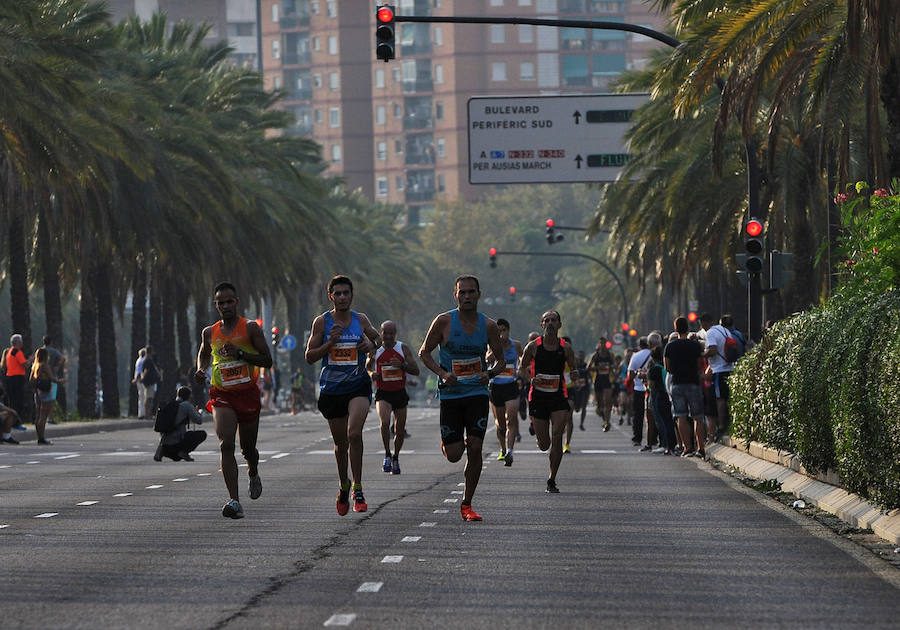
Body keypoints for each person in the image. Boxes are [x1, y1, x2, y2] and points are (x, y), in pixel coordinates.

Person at [419, 275, 505, 521]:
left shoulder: (488, 326)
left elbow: (501, 362)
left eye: (471, 292)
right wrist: (443, 374)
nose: (466, 297)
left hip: (476, 393)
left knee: (476, 447)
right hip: (451, 394)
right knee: (456, 454)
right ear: (455, 295)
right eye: (462, 293)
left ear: (479, 294)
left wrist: (488, 374)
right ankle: (450, 444)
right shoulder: (444, 321)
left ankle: (467, 504)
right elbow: (424, 352)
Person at [195, 282, 273, 520]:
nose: (225, 306)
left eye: (230, 301)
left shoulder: (249, 329)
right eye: (221, 302)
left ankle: (253, 470)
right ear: (216, 305)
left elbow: (267, 360)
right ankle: (234, 500)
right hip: (222, 394)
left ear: (237, 302)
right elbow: (204, 353)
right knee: (225, 443)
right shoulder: (210, 332)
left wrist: (241, 354)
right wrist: (201, 369)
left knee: (248, 448)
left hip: (247, 393)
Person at [305, 275, 382, 516]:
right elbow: (310, 355)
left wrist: (372, 345)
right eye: (337, 293)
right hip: (332, 389)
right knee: (340, 444)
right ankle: (343, 484)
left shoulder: (360, 319)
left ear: (351, 295)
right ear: (330, 297)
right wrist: (330, 343)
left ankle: (358, 488)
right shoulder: (322, 322)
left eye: (345, 293)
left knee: (354, 433)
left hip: (358, 384)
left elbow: (377, 338)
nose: (342, 297)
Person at [519, 311, 578, 493]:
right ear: (542, 325)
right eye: (547, 321)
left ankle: (551, 479)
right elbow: (521, 369)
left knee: (557, 436)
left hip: (558, 395)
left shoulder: (566, 348)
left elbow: (574, 369)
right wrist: (531, 378)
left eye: (554, 320)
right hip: (538, 397)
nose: (550, 323)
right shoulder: (533, 347)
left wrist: (575, 375)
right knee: (545, 444)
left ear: (559, 325)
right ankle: (541, 439)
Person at [367, 320, 419, 475]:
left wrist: (402, 365)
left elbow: (416, 370)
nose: (388, 336)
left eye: (391, 333)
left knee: (400, 430)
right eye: (385, 333)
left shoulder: (402, 348)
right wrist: (372, 374)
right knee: (384, 423)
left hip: (400, 392)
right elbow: (368, 367)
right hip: (383, 392)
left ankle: (396, 456)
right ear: (381, 333)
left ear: (395, 333)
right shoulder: (376, 350)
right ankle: (387, 454)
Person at [664, 316, 706, 458]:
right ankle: (700, 448)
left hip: (677, 384)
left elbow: (667, 368)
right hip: (693, 383)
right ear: (687, 328)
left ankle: (687, 448)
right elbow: (700, 362)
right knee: (697, 417)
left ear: (675, 329)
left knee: (680, 416)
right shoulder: (694, 345)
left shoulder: (669, 347)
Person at [485, 318, 522, 466]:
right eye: (498, 331)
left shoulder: (516, 345)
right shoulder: (493, 345)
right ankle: (502, 448)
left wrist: (522, 372)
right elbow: (487, 360)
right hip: (496, 387)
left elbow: (523, 360)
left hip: (511, 385)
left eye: (503, 330)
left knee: (511, 419)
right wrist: (496, 349)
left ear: (508, 331)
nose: (501, 334)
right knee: (500, 424)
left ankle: (510, 451)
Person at [700, 313, 735, 440]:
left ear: (704, 323)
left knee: (720, 399)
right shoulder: (724, 330)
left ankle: (721, 426)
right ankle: (729, 424)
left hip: (719, 369)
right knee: (728, 397)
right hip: (730, 367)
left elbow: (713, 350)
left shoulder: (710, 333)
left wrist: (702, 354)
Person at [154, 386, 207, 462]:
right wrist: (199, 412)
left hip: (165, 445)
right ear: (188, 396)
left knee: (173, 449)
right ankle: (184, 452)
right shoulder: (186, 405)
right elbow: (199, 420)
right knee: (202, 434)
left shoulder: (169, 404)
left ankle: (161, 451)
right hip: (177, 446)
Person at [30, 348, 65, 445]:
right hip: (46, 391)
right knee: (43, 416)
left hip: (37, 392)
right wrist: (61, 381)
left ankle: (39, 437)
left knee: (38, 415)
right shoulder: (45, 365)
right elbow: (52, 378)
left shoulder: (35, 365)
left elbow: (31, 379)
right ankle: (41, 438)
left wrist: (38, 383)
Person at [628, 338, 652, 447]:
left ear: (639, 346)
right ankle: (653, 439)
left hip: (638, 389)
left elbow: (630, 375)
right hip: (651, 389)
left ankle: (637, 438)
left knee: (638, 415)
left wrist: (637, 375)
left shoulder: (635, 356)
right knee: (651, 415)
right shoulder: (653, 354)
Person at [587, 338, 615, 431]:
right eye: (601, 343)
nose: (602, 345)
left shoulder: (610, 355)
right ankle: (604, 418)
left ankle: (607, 422)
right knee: (600, 405)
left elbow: (615, 366)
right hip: (598, 380)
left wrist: (610, 367)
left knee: (608, 402)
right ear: (598, 345)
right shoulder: (595, 356)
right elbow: (588, 368)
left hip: (607, 379)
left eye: (604, 343)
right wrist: (598, 367)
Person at [38, 336, 65, 424]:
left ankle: (40, 417)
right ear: (51, 342)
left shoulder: (39, 351)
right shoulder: (54, 351)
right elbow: (63, 358)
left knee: (40, 399)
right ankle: (50, 417)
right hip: (52, 377)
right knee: (51, 399)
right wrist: (57, 366)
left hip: (41, 379)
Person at [2, 334, 28, 424]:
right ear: (18, 342)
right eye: (21, 341)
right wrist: (31, 360)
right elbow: (25, 365)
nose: (22, 343)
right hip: (17, 378)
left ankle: (12, 422)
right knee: (18, 401)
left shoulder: (9, 352)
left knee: (12, 400)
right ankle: (16, 422)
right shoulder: (17, 352)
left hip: (10, 378)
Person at [140, 346, 161, 420]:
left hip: (150, 381)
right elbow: (145, 370)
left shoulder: (148, 360)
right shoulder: (148, 360)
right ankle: (147, 414)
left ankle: (148, 413)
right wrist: (143, 378)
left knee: (149, 397)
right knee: (148, 398)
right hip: (149, 382)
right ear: (150, 352)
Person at [572, 350, 591, 430]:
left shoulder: (586, 365)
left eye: (582, 355)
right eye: (580, 355)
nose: (581, 357)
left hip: (585, 387)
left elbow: (590, 375)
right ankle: (568, 422)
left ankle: (581, 423)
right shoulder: (574, 366)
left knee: (584, 406)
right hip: (576, 387)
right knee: (576, 408)